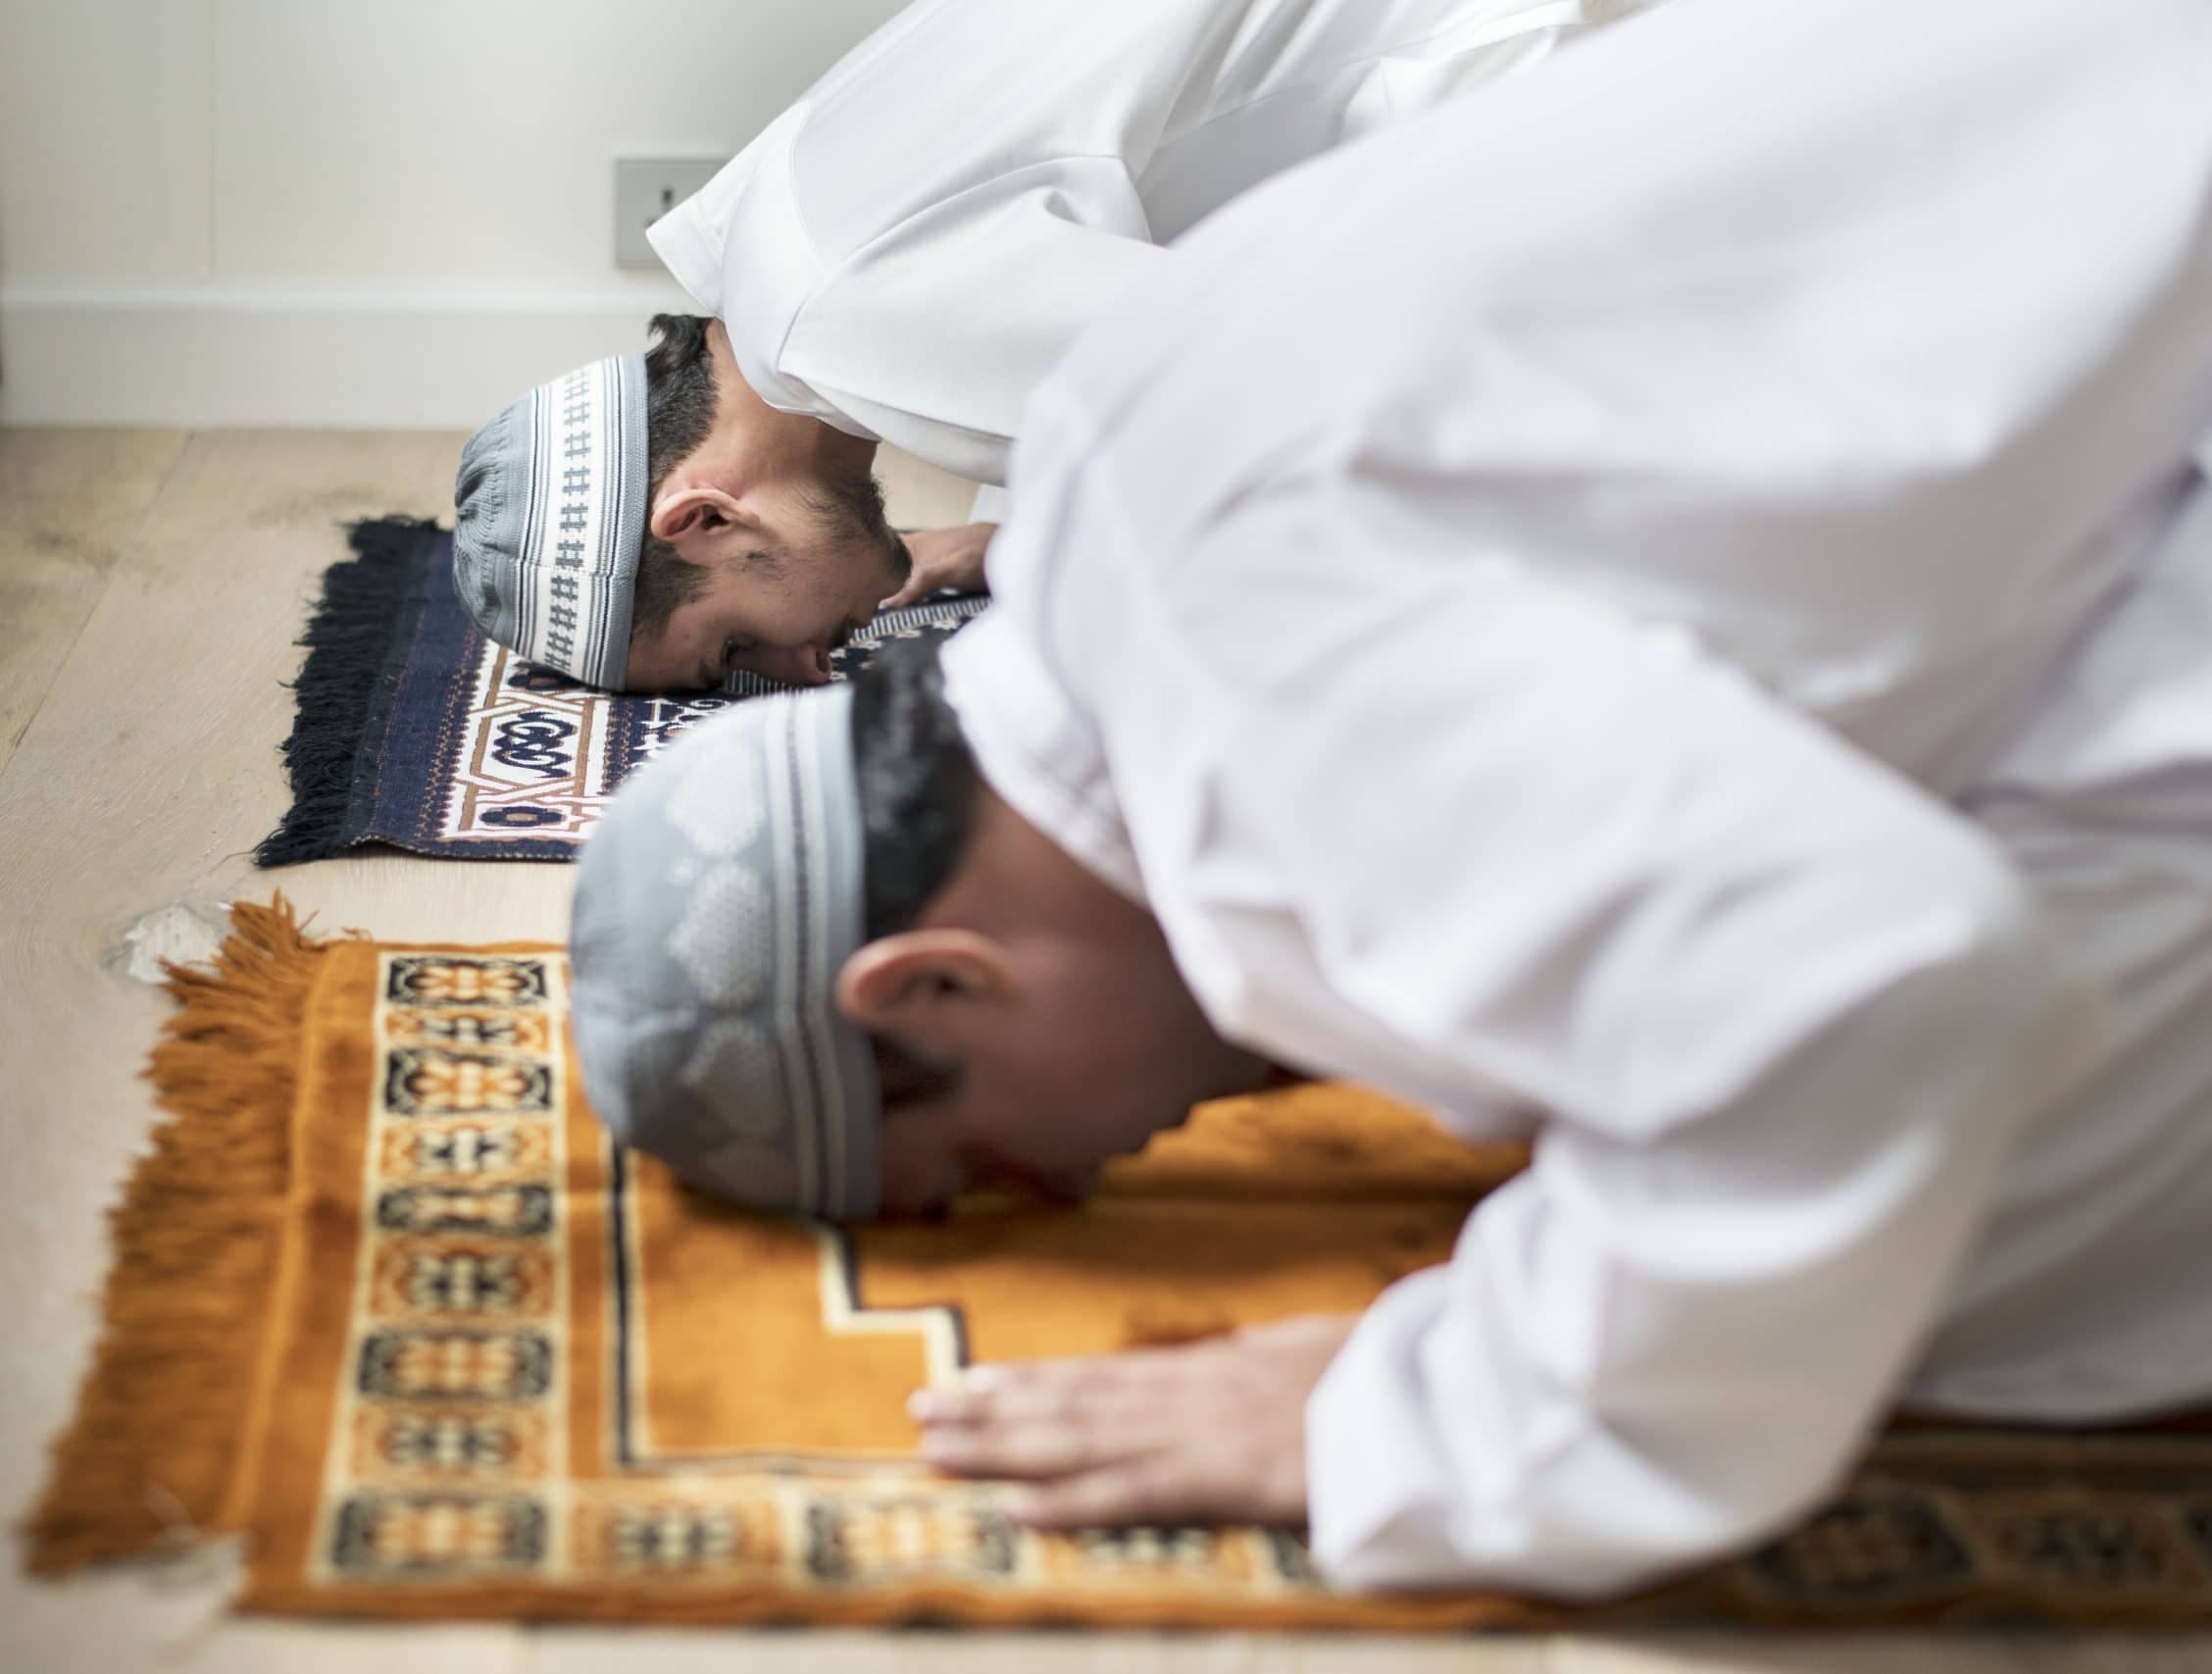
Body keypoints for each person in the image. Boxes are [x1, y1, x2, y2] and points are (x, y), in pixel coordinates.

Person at [564, 0, 2212, 1597]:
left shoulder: (1247, 727)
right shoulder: (1102, 490)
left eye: (996, 1162)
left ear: (933, 983)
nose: (1089, 1181)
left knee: (1962, 1240)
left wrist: (1443, 1409)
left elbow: (1888, 984)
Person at [451, 0, 1657, 692]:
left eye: (734, 650)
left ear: (704, 517)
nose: (804, 665)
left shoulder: (849, 320)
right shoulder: (775, 234)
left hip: (1571, 69)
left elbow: (1329, 419)